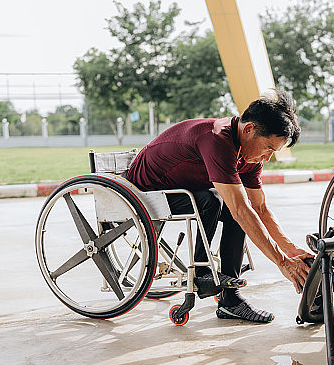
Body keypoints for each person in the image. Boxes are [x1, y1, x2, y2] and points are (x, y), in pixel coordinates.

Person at [126, 89, 312, 323]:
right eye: (268, 148)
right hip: (148, 187)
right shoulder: (217, 139)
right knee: (214, 200)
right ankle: (203, 273)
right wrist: (282, 263)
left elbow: (259, 209)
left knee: (230, 206)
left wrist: (291, 250)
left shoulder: (250, 155)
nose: (267, 158)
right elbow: (241, 210)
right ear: (249, 129)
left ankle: (230, 301)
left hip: (188, 187)